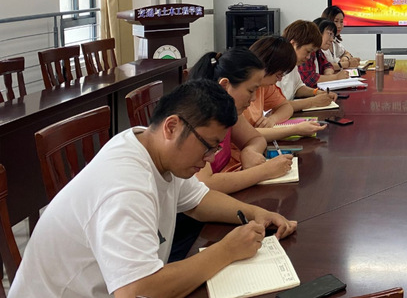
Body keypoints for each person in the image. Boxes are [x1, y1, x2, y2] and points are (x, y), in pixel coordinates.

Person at [8, 79, 297, 298]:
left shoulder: (150, 145)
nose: (211, 158)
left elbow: (199, 200)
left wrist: (255, 213)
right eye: (208, 146)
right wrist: (226, 251)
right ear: (171, 127)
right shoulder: (125, 186)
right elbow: (136, 289)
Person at [188, 48, 293, 192]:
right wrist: (265, 171)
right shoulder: (196, 119)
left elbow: (255, 138)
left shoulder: (227, 111)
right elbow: (205, 184)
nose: (254, 98)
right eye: (250, 91)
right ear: (225, 85)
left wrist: (249, 151)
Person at [247, 34, 328, 137]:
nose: (280, 79)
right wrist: (294, 130)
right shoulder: (238, 90)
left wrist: (273, 119)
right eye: (278, 75)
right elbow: (246, 135)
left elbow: (286, 107)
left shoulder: (265, 85)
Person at [278, 20, 338, 111]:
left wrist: (317, 92)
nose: (308, 57)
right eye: (308, 51)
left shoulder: (292, 64)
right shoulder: (274, 67)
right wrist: (313, 102)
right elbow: (276, 105)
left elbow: (298, 87)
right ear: (293, 44)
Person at [297, 18, 349, 87]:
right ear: (318, 32)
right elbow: (309, 79)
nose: (332, 39)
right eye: (330, 34)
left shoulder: (318, 51)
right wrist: (335, 77)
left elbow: (327, 65)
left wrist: (329, 75)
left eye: (333, 36)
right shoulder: (307, 52)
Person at [321, 5, 360, 70]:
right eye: (336, 21)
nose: (339, 26)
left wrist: (345, 58)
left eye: (341, 22)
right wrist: (346, 64)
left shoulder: (334, 42)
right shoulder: (319, 44)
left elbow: (346, 53)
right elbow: (323, 66)